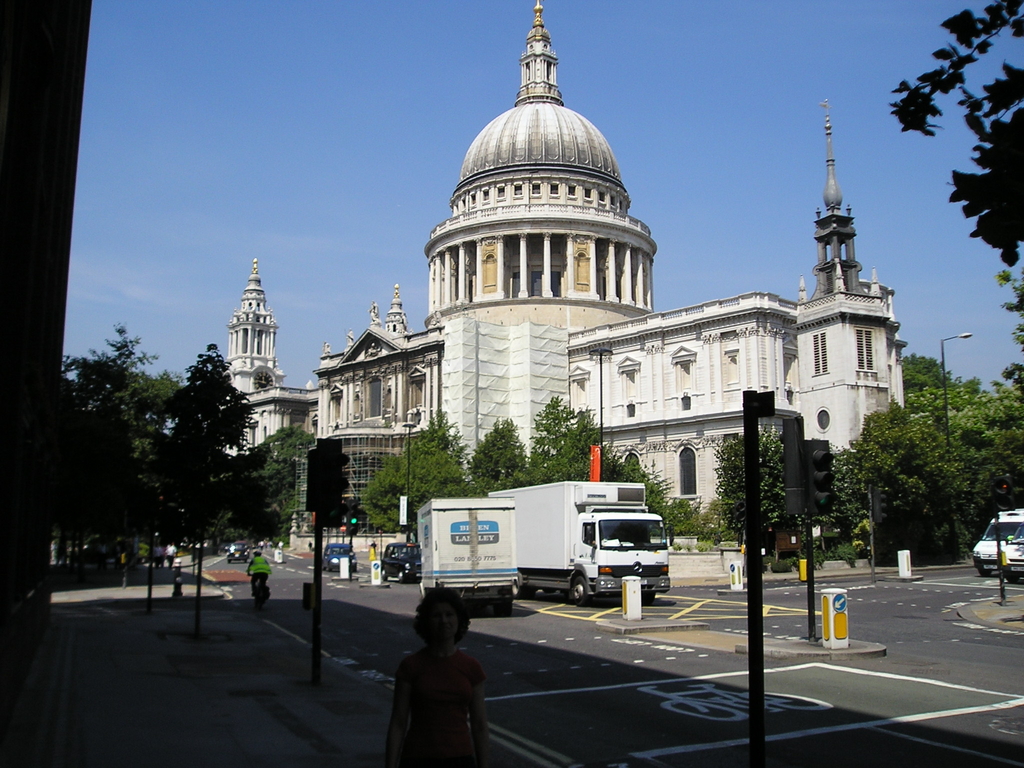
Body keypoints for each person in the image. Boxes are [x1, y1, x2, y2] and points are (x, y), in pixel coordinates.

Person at [385, 589, 488, 768]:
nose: (444, 621)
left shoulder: (471, 668)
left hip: (460, 759)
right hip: (418, 759)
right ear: (426, 621)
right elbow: (398, 722)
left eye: (449, 614)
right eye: (436, 615)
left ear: (459, 620)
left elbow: (479, 725)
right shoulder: (411, 666)